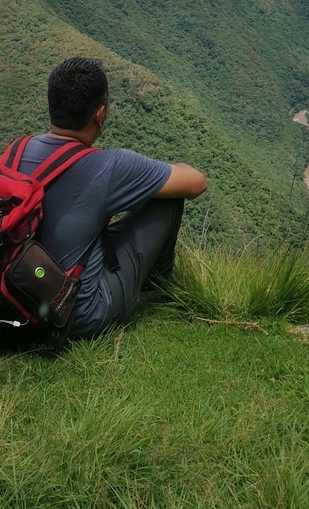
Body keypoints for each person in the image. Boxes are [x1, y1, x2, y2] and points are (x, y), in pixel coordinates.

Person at [20, 55, 207, 337]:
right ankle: (156, 292)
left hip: (18, 295)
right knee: (168, 199)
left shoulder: (19, 150)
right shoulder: (109, 166)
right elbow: (196, 183)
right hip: (77, 314)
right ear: (101, 114)